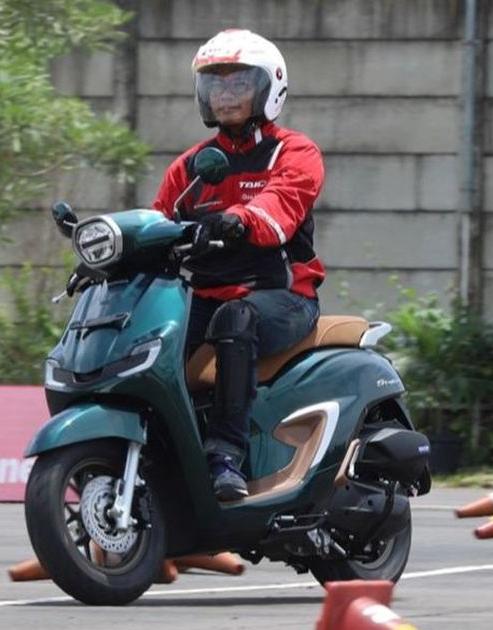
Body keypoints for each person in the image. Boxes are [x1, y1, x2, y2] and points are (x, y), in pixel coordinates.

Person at [150, 29, 326, 501]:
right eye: (215, 86)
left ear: (269, 89)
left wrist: (238, 219)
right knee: (147, 334)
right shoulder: (189, 167)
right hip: (203, 297)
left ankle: (227, 455)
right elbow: (159, 224)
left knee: (236, 318)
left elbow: (280, 205)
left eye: (237, 85)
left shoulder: (293, 152)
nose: (224, 96)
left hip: (283, 295)